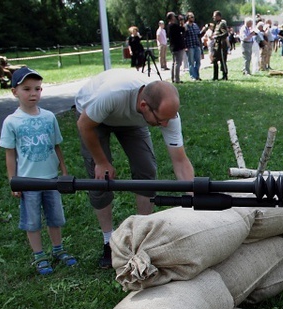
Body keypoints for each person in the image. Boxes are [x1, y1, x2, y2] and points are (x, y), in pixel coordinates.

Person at [75, 69, 196, 268]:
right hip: (92, 118)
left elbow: (180, 161)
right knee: (100, 178)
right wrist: (101, 161)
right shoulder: (111, 95)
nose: (165, 124)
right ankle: (108, 241)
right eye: (160, 121)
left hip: (130, 119)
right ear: (143, 105)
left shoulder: (166, 113)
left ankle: (141, 236)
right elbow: (84, 125)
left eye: (169, 119)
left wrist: (193, 194)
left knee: (146, 169)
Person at [0, 67, 77, 275]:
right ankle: (39, 255)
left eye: (38, 89)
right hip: (28, 181)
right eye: (27, 89)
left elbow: (56, 145)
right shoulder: (11, 122)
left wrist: (63, 169)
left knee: (55, 217)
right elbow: (10, 153)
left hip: (51, 179)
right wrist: (13, 180)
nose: (33, 94)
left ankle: (58, 249)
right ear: (15, 92)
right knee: (32, 220)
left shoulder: (49, 117)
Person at [166, 11, 186, 84]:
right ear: (171, 18)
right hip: (178, 46)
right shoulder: (174, 26)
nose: (175, 17)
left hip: (173, 46)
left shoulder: (168, 26)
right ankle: (177, 79)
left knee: (174, 63)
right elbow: (183, 29)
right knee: (178, 63)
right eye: (174, 16)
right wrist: (182, 21)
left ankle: (173, 78)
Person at [184, 12, 202, 81]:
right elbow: (184, 37)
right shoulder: (185, 26)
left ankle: (197, 75)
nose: (193, 18)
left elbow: (199, 35)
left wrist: (204, 30)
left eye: (193, 17)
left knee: (198, 62)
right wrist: (185, 47)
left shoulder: (195, 25)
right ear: (188, 18)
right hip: (190, 46)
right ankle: (193, 76)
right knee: (191, 62)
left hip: (196, 45)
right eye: (191, 17)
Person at [211, 11, 229, 81]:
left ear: (219, 16)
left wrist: (216, 36)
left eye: (215, 16)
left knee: (222, 61)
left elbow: (225, 33)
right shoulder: (217, 24)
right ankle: (215, 76)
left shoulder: (222, 24)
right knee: (214, 60)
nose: (214, 18)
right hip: (216, 46)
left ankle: (225, 75)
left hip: (221, 45)